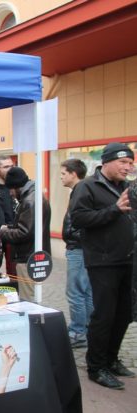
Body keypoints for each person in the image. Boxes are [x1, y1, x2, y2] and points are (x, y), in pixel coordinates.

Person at [71, 142, 136, 389]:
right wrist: (114, 209)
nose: (128, 167)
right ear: (106, 161)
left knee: (124, 315)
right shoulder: (87, 186)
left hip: (128, 259)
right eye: (123, 162)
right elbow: (78, 219)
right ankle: (96, 367)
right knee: (104, 315)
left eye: (130, 163)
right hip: (103, 261)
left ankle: (111, 359)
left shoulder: (128, 187)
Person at [0, 167, 51, 302]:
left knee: (28, 298)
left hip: (27, 256)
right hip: (32, 254)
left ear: (16, 187)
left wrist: (4, 232)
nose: (10, 194)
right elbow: (29, 225)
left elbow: (24, 232)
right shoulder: (33, 196)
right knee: (30, 295)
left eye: (10, 189)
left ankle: (34, 322)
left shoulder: (30, 200)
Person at [60, 159, 93, 349]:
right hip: (82, 247)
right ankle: (86, 329)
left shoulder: (81, 190)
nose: (61, 177)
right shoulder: (83, 190)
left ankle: (78, 332)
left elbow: (81, 221)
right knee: (86, 291)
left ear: (74, 173)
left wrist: (73, 236)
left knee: (76, 292)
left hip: (78, 248)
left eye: (64, 173)